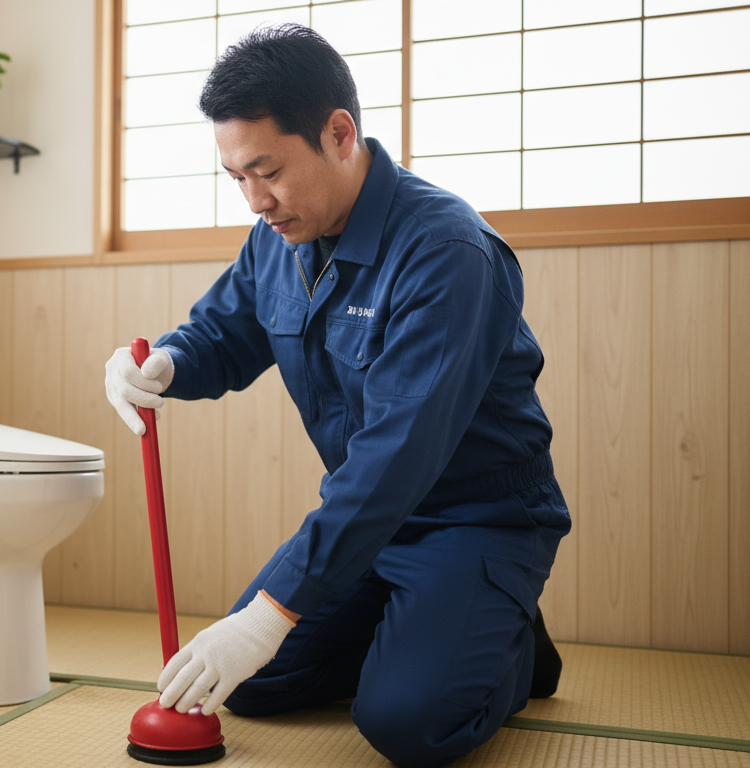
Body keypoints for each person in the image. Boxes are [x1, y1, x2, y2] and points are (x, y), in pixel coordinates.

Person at [103, 24, 569, 768]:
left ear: (339, 132)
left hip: (476, 520)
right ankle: (438, 632)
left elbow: (393, 457)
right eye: (237, 177)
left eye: (268, 171)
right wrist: (165, 361)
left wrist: (269, 614)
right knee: (250, 686)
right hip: (370, 530)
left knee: (408, 725)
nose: (256, 200)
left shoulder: (445, 252)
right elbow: (223, 333)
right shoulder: (281, 235)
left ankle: (507, 641)